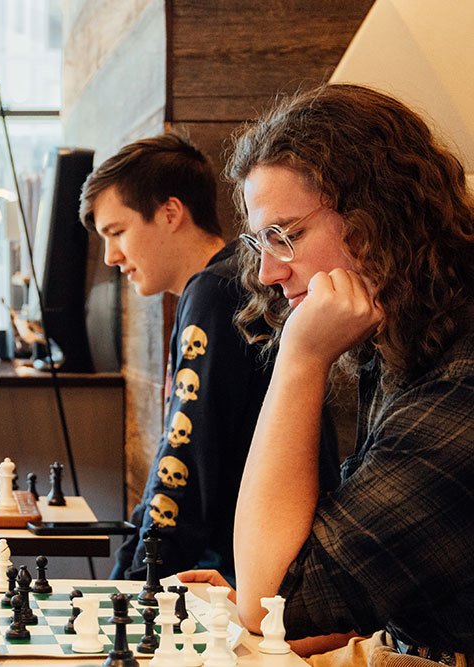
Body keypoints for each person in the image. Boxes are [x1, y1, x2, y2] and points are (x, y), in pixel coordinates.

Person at [181, 84, 474, 663]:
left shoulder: (462, 380)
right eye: (259, 241)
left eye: (285, 236)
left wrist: (300, 357)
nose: (267, 272)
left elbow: (278, 605)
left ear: (377, 217)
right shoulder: (407, 341)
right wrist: (255, 608)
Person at [80, 133, 340, 583]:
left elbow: (185, 468)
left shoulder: (214, 292)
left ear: (170, 213)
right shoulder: (232, 282)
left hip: (242, 576)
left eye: (117, 232)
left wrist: (130, 584)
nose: (111, 256)